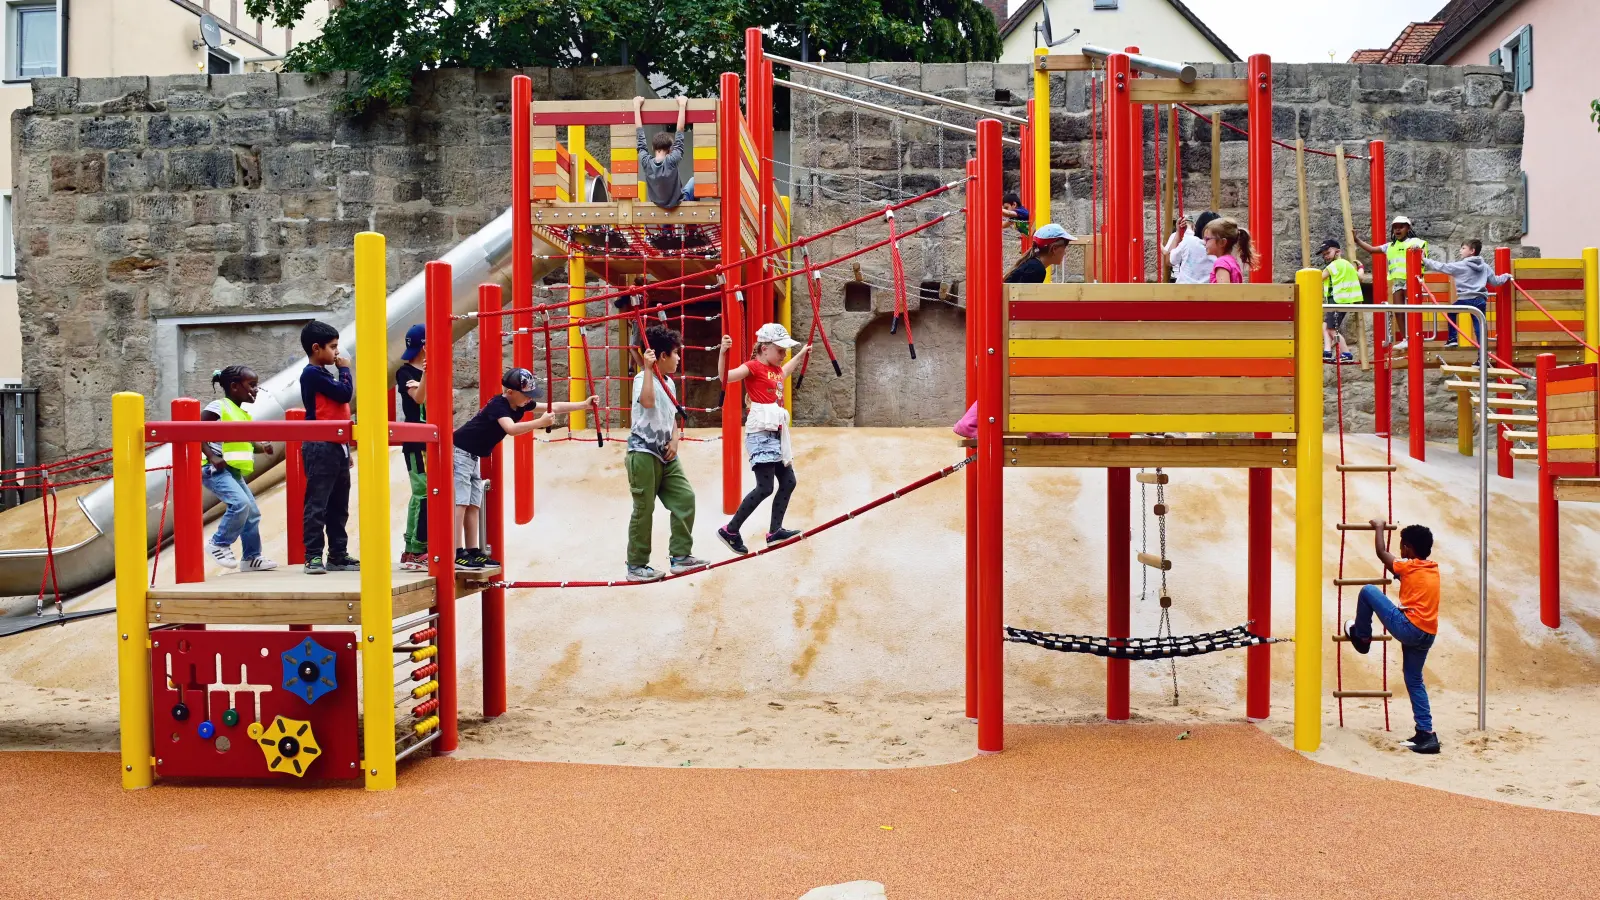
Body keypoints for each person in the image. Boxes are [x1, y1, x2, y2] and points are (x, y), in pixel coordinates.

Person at [452, 368, 592, 571]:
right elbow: (511, 429)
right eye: (527, 395)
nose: (530, 399)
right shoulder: (499, 405)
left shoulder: (520, 404)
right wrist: (540, 423)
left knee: (474, 503)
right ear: (510, 392)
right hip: (459, 452)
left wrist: (583, 405)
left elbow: (553, 406)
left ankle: (472, 551)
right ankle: (457, 552)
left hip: (472, 455)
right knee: (461, 502)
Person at [1343, 520, 1441, 755]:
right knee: (1414, 680)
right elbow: (1398, 570)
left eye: (1402, 545)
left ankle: (1362, 637)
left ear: (1407, 548)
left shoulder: (1407, 566)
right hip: (1428, 633)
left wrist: (1379, 527)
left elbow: (1381, 553)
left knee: (1368, 590)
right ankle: (1426, 734)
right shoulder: (1432, 569)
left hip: (1410, 628)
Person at [715, 324, 812, 554]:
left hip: (776, 435)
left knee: (788, 481)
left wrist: (801, 354)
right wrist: (723, 353)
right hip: (760, 435)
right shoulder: (753, 367)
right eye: (780, 350)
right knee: (765, 487)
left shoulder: (776, 370)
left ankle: (775, 531)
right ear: (764, 348)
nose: (783, 354)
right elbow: (725, 377)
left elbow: (785, 371)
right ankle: (730, 530)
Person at [625, 325, 706, 581]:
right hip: (643, 453)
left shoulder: (669, 382)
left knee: (685, 497)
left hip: (666, 454)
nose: (679, 358)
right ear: (662, 356)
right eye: (675, 353)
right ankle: (636, 565)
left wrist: (675, 439)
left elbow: (670, 416)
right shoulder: (642, 379)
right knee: (644, 509)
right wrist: (648, 370)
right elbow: (648, 402)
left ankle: (680, 556)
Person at [200, 366, 277, 572]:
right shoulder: (218, 406)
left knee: (252, 512)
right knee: (240, 504)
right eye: (252, 385)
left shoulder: (242, 415)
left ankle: (251, 557)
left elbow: (248, 443)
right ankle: (218, 543)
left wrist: (263, 447)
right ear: (234, 386)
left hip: (232, 470)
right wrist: (212, 456)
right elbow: (197, 431)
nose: (256, 389)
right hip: (215, 468)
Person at [298, 320, 358, 576]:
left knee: (339, 504)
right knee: (318, 503)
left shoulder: (323, 374)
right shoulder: (312, 374)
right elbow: (344, 394)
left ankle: (338, 553)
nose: (337, 352)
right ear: (316, 348)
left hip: (336, 444)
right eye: (332, 347)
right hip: (320, 445)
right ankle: (312, 555)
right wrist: (345, 370)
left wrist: (346, 447)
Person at [1353, 215, 1429, 350]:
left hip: (1412, 280)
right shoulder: (1390, 246)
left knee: (1411, 311)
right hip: (1398, 281)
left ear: (1408, 228)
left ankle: (1415, 336)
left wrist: (1416, 248)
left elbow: (1422, 254)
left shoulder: (1416, 242)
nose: (1398, 230)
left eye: (1401, 227)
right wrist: (1357, 240)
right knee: (1398, 311)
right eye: (1395, 227)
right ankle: (1406, 338)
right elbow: (1372, 249)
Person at [1424, 239, 1509, 348]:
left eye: (1463, 248)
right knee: (1479, 326)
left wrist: (1424, 259)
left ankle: (1453, 339)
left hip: (1465, 299)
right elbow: (1495, 281)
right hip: (1480, 300)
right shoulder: (1485, 267)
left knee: (1451, 312)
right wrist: (1507, 276)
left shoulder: (1461, 266)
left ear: (1472, 251)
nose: (1460, 250)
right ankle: (1483, 353)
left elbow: (1441, 267)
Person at [395, 324, 429, 571]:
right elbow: (419, 398)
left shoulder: (431, 371)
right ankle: (415, 549)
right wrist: (427, 374)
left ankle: (415, 547)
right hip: (417, 442)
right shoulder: (404, 372)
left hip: (432, 439)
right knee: (423, 492)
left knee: (430, 492)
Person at [633, 95, 689, 210]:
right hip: (676, 204)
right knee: (693, 181)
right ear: (670, 149)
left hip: (657, 205)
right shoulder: (672, 160)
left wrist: (636, 106)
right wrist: (682, 105)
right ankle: (692, 218)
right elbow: (680, 131)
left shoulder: (646, 163)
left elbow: (640, 140)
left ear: (653, 147)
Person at [1319, 239, 1363, 363]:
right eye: (1324, 255)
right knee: (1326, 325)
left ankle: (1346, 353)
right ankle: (1327, 351)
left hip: (1336, 301)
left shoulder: (1332, 266)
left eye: (1328, 253)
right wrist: (1361, 267)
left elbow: (1318, 278)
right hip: (1344, 301)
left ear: (1338, 252)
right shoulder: (1348, 265)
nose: (1326, 256)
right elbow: (1360, 277)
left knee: (1332, 329)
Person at [1005, 223, 1075, 284]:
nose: (1065, 253)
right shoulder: (1036, 269)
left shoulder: (1033, 264)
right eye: (1064, 248)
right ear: (1054, 249)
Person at [1164, 211, 1218, 285]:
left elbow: (1169, 261)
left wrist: (1178, 233)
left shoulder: (1189, 241)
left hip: (1183, 288)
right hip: (1207, 290)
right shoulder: (1219, 248)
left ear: (1196, 227)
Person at [1203, 217, 1253, 284]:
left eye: (1207, 239)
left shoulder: (1221, 262)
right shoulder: (1231, 261)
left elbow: (1224, 289)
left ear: (1222, 242)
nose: (1204, 242)